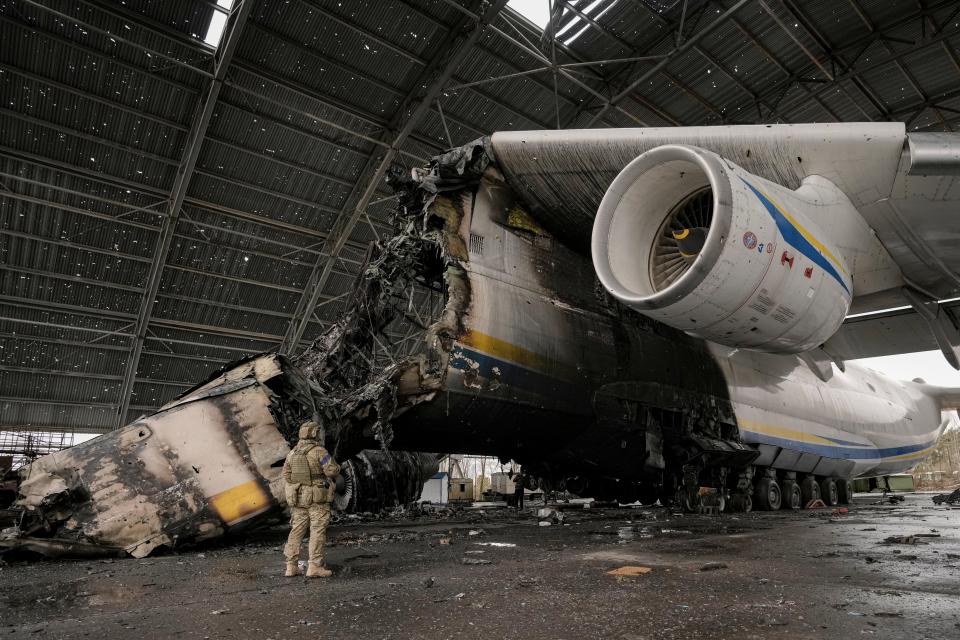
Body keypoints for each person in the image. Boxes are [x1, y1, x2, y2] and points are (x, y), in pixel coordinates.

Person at [282, 420, 340, 578]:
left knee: (296, 531)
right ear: (314, 433)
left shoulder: (292, 453)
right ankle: (314, 566)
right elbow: (331, 471)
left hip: (298, 498)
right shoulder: (319, 451)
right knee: (317, 531)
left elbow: (286, 475)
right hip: (316, 498)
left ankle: (291, 566)